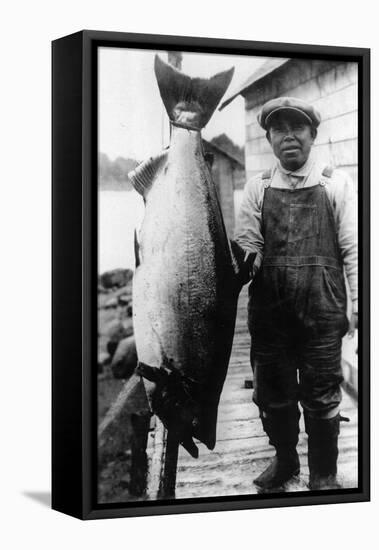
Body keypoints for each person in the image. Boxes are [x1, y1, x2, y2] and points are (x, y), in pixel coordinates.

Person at [234, 97, 358, 491]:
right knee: (274, 396)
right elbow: (247, 246)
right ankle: (286, 461)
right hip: (271, 315)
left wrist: (361, 307)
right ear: (269, 138)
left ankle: (323, 474)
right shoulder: (257, 189)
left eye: (297, 128)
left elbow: (354, 249)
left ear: (312, 135)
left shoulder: (334, 183)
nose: (289, 135)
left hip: (323, 311)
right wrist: (244, 260)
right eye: (279, 129)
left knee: (322, 396)